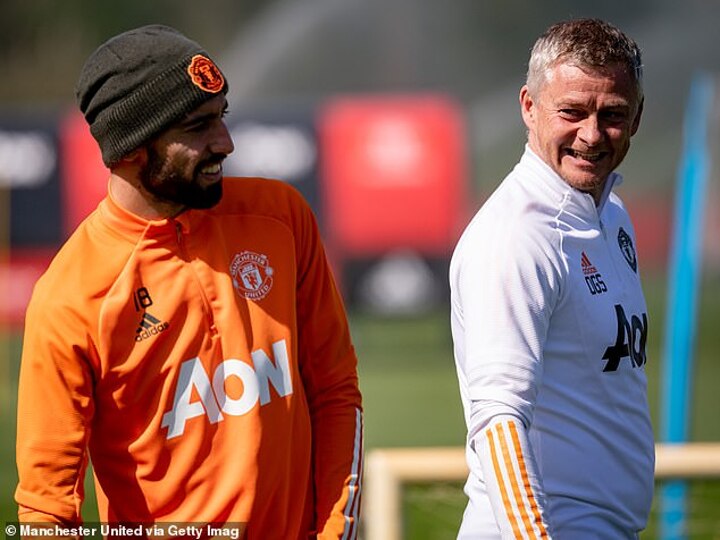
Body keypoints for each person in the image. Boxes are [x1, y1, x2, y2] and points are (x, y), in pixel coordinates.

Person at [15, 24, 363, 539]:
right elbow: (46, 508)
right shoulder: (69, 297)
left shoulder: (281, 217)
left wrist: (335, 532)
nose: (225, 142)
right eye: (198, 127)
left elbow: (335, 391)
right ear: (132, 147)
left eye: (222, 116)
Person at [450, 18, 653, 539]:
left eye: (612, 114)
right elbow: (498, 420)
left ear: (636, 118)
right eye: (572, 111)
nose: (592, 134)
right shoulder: (516, 236)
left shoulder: (610, 213)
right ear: (529, 106)